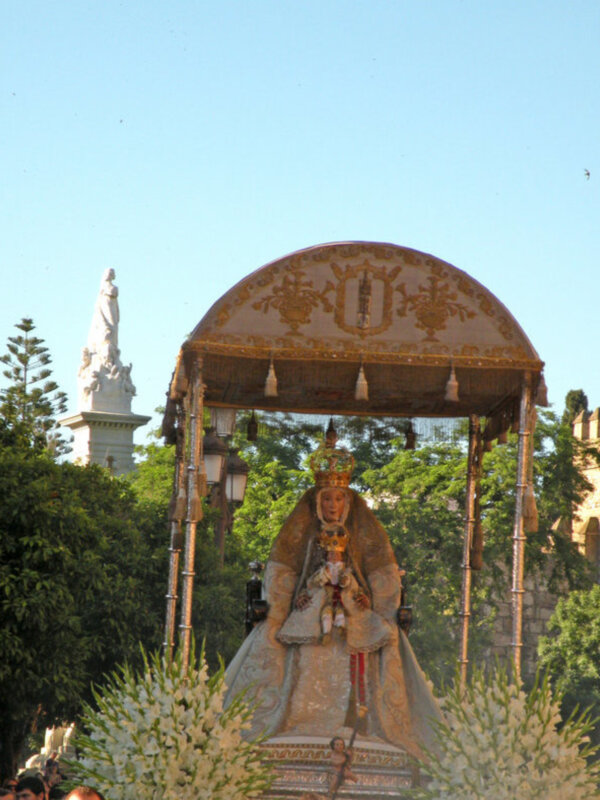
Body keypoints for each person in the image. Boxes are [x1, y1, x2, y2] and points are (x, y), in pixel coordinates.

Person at [225, 425, 441, 760]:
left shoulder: (362, 532)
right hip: (310, 616)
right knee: (298, 652)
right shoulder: (305, 534)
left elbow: (377, 573)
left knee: (374, 643)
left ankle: (358, 720)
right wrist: (297, 597)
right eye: (326, 498)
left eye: (339, 498)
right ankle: (299, 720)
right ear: (316, 502)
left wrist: (364, 597)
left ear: (348, 501)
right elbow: (287, 574)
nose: (332, 504)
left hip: (352, 615)